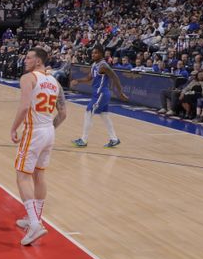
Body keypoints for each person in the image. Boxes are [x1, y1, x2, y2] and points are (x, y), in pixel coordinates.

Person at [10, 48, 67, 246]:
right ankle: (36, 218)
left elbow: (25, 106)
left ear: (38, 61)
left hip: (34, 131)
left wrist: (13, 128)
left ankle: (34, 224)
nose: (25, 60)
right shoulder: (54, 81)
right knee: (39, 175)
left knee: (22, 176)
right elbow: (63, 113)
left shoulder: (28, 78)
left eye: (28, 57)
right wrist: (49, 129)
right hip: (49, 130)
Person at [70, 44, 128, 148]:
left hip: (101, 94)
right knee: (104, 116)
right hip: (98, 94)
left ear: (101, 54)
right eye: (92, 52)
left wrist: (120, 92)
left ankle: (83, 140)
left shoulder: (103, 66)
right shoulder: (94, 65)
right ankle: (114, 139)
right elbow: (89, 78)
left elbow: (115, 78)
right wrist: (77, 81)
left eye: (96, 53)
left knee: (88, 112)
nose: (93, 54)